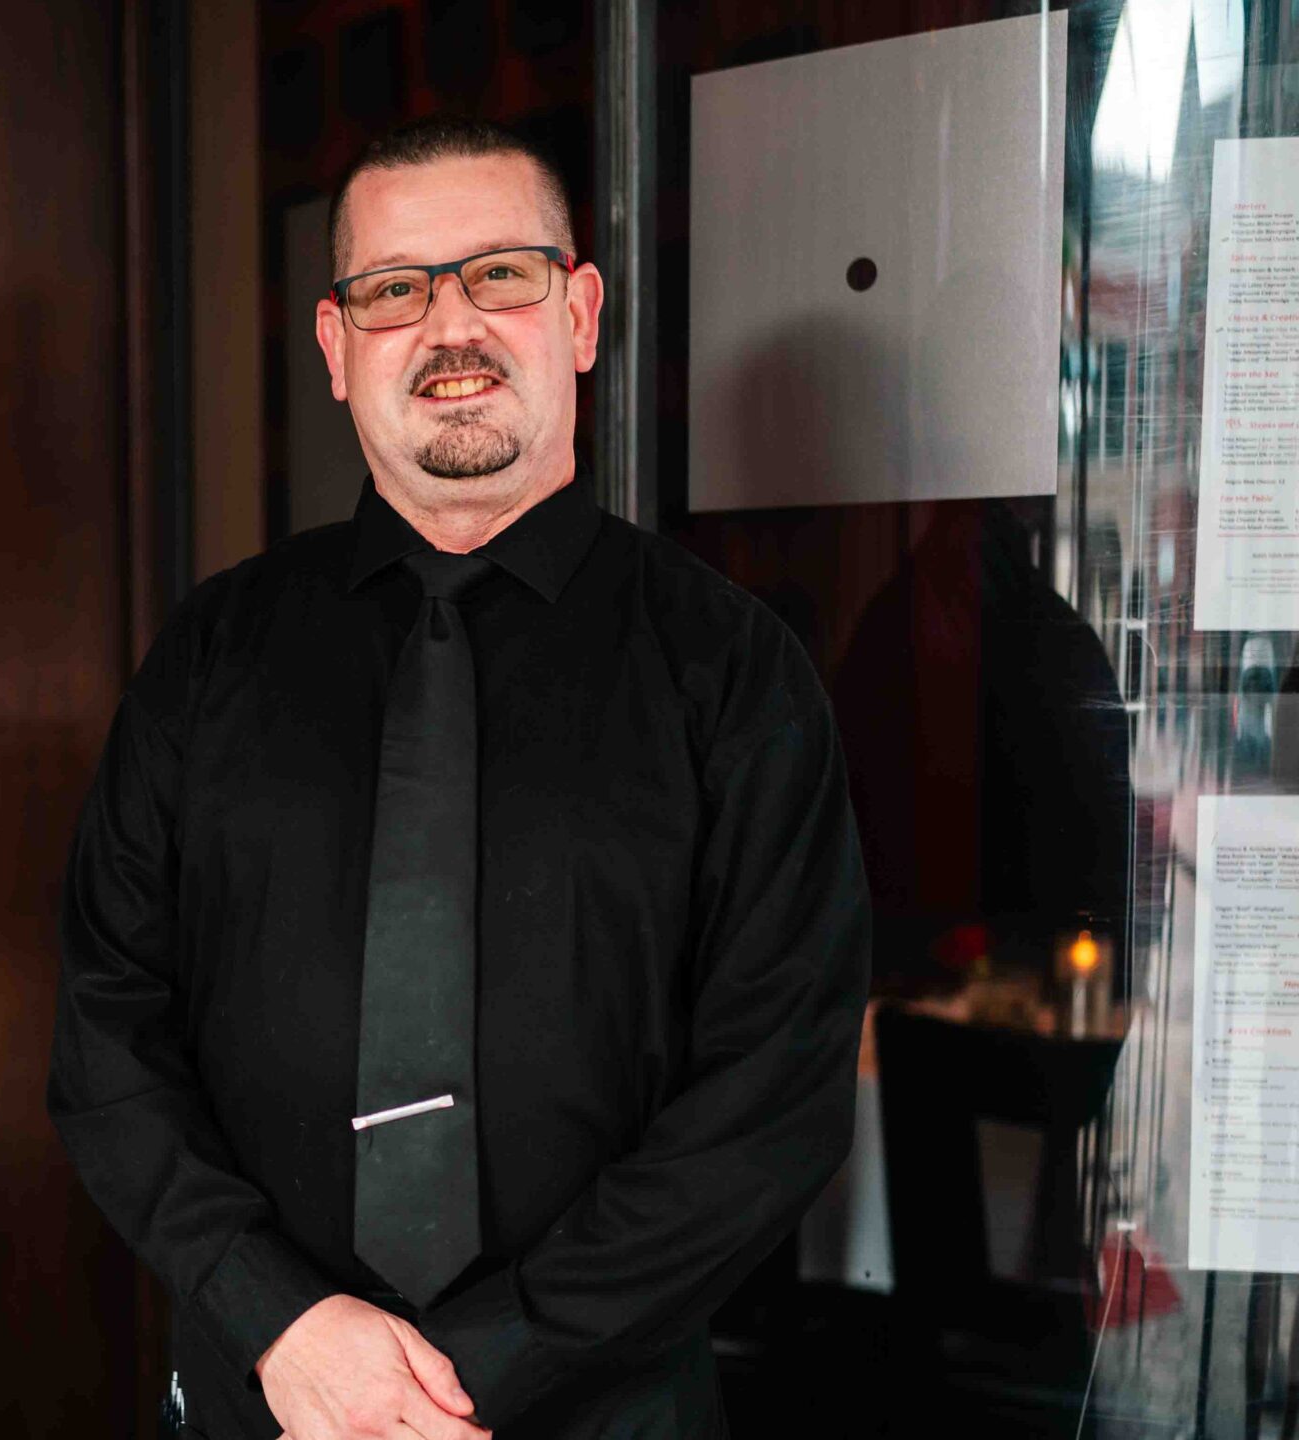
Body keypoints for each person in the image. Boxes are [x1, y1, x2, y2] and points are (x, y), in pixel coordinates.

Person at [47, 115, 871, 1440]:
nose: (451, 327)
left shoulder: (734, 674)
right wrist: (279, 1319)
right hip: (272, 1400)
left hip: (607, 1413)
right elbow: (106, 1034)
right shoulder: (208, 657)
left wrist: (476, 1364)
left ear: (580, 314)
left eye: (500, 274)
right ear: (336, 348)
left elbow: (773, 1095)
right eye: (395, 290)